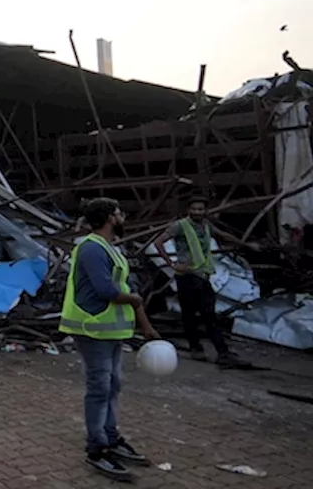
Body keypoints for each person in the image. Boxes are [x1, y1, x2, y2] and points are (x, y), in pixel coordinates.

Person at [59, 197, 159, 482]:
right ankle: (97, 449)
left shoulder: (109, 248)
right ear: (109, 218)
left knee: (113, 384)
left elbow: (122, 286)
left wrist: (144, 325)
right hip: (92, 330)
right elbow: (106, 289)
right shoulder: (91, 248)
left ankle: (111, 437)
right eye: (119, 213)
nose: (122, 217)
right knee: (100, 388)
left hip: (111, 331)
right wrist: (135, 300)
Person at [152, 197, 242, 364]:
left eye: (200, 209)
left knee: (207, 314)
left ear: (205, 211)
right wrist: (172, 263)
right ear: (188, 209)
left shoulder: (206, 226)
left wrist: (245, 244)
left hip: (202, 275)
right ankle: (202, 349)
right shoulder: (180, 226)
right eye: (194, 209)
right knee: (192, 315)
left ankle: (218, 351)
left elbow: (222, 235)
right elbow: (159, 242)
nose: (197, 212)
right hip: (186, 277)